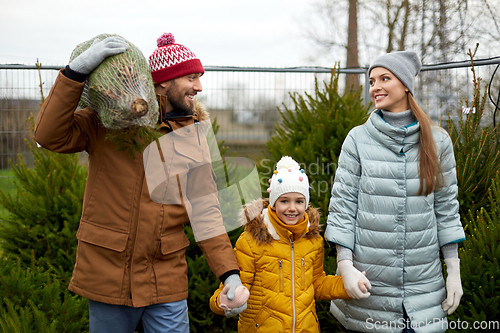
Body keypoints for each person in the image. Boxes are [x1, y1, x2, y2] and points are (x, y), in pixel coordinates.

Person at [34, 32, 244, 333]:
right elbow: (49, 135)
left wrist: (229, 274)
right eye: (191, 77)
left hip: (166, 279)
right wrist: (75, 73)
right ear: (163, 82)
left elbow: (206, 210)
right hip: (109, 274)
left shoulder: (194, 135)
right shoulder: (107, 122)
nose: (199, 86)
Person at [324, 51, 466, 333]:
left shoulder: (438, 141)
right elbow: (343, 207)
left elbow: (447, 209)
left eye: (384, 78)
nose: (375, 86)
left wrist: (454, 271)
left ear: (405, 84)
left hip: (424, 290)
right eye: (372, 80)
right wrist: (345, 266)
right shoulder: (358, 140)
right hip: (369, 288)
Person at [209, 156, 370, 332]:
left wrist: (348, 285)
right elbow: (234, 288)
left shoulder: (313, 240)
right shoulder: (251, 242)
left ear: (306, 203)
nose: (292, 208)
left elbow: (317, 284)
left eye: (299, 201)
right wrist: (222, 302)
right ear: (273, 203)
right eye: (284, 201)